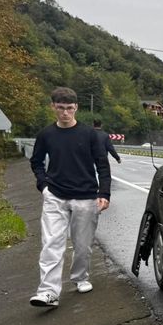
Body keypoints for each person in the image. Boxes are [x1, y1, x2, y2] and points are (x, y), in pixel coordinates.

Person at [29, 87, 111, 307]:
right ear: (53, 107)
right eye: (61, 108)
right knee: (51, 244)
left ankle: (80, 277)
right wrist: (43, 186)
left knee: (82, 245)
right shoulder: (46, 134)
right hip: (55, 196)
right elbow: (36, 162)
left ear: (76, 108)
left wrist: (104, 192)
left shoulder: (89, 134)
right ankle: (48, 292)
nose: (65, 113)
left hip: (85, 197)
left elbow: (102, 164)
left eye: (69, 108)